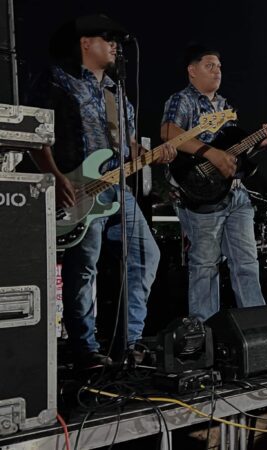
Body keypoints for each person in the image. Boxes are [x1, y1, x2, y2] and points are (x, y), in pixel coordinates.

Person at [30, 14, 176, 368]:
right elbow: (36, 133)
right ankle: (85, 349)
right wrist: (54, 176)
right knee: (84, 270)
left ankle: (131, 343)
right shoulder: (58, 79)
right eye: (107, 39)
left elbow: (124, 144)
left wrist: (150, 154)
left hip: (117, 187)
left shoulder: (117, 91)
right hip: (77, 187)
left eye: (116, 41)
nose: (114, 46)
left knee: (146, 255)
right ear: (85, 43)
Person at [160, 44, 267, 321]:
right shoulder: (183, 100)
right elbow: (168, 130)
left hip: (236, 192)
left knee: (247, 263)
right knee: (204, 265)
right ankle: (204, 330)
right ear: (192, 70)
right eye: (209, 66)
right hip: (201, 195)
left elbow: (233, 152)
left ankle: (256, 325)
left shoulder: (225, 106)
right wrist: (209, 152)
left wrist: (259, 144)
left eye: (220, 67)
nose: (217, 71)